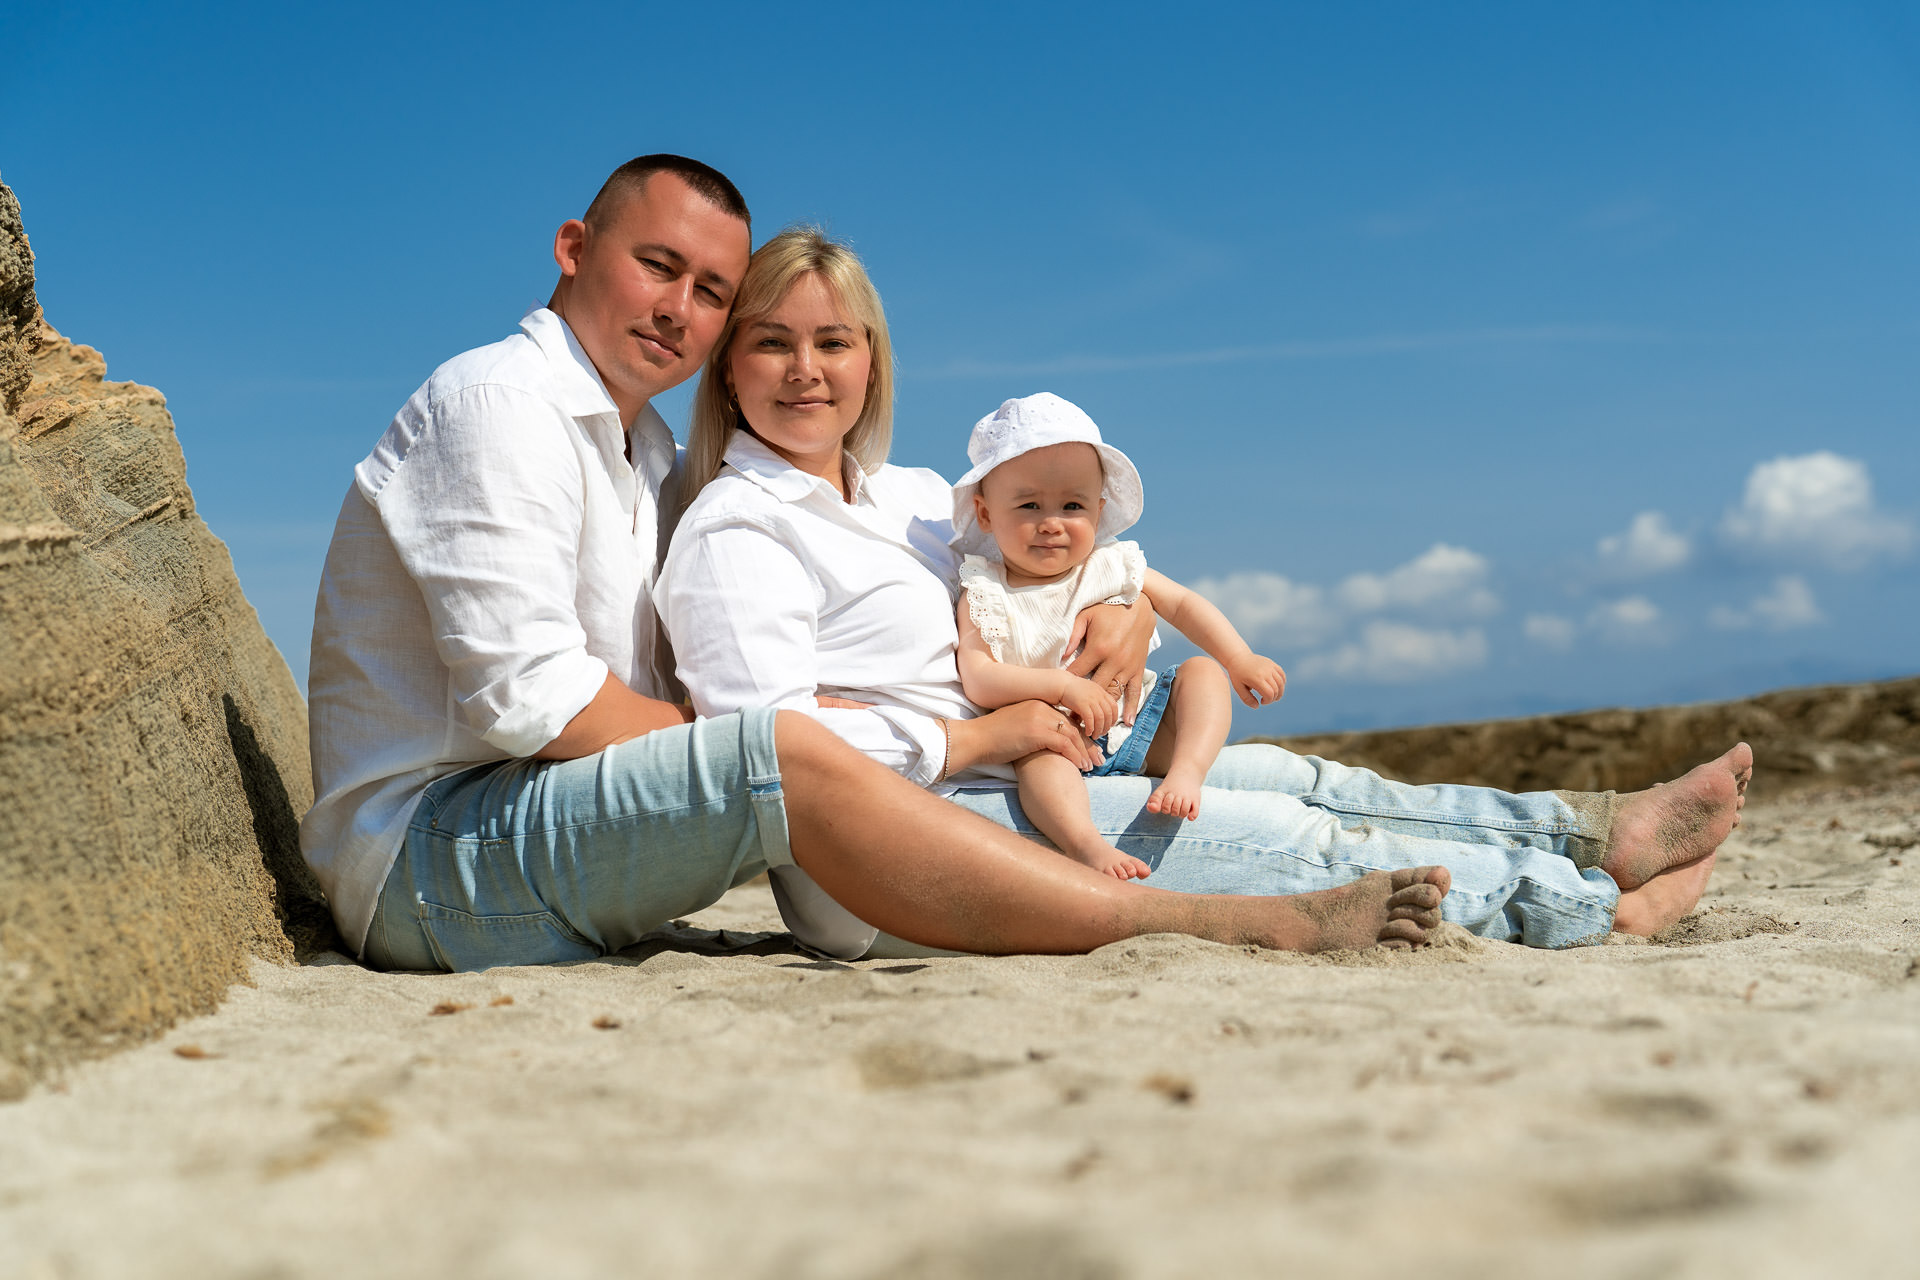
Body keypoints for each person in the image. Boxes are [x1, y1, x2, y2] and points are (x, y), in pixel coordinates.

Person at [300, 155, 1455, 973]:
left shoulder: (641, 449)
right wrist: (840, 743)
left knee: (1276, 784)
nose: (681, 309)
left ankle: (1582, 838)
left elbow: (1023, 576)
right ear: (574, 249)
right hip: (432, 858)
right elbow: (534, 700)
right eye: (660, 267)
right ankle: (1216, 928)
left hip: (548, 822)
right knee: (782, 742)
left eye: (710, 290)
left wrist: (1118, 621)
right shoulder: (502, 406)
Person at [656, 225, 1751, 962]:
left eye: (832, 341)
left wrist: (1129, 613)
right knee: (1286, 836)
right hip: (895, 846)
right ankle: (1596, 908)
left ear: (871, 359)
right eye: (773, 343)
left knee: (1295, 772)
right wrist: (984, 733)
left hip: (1025, 763)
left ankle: (1589, 829)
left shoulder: (904, 499)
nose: (806, 369)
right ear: (732, 367)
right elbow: (772, 748)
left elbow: (1049, 572)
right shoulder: (734, 529)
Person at [951, 392, 1287, 881]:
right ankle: (1085, 844)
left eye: (1072, 505)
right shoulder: (985, 589)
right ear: (985, 514)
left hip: (1141, 725)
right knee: (1037, 765)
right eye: (1028, 505)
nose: (1052, 523)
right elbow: (979, 677)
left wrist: (1239, 658)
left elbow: (1182, 604)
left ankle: (1186, 773)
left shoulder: (1111, 564)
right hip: (1057, 741)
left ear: (1098, 509)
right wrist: (1061, 688)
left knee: (1201, 674)